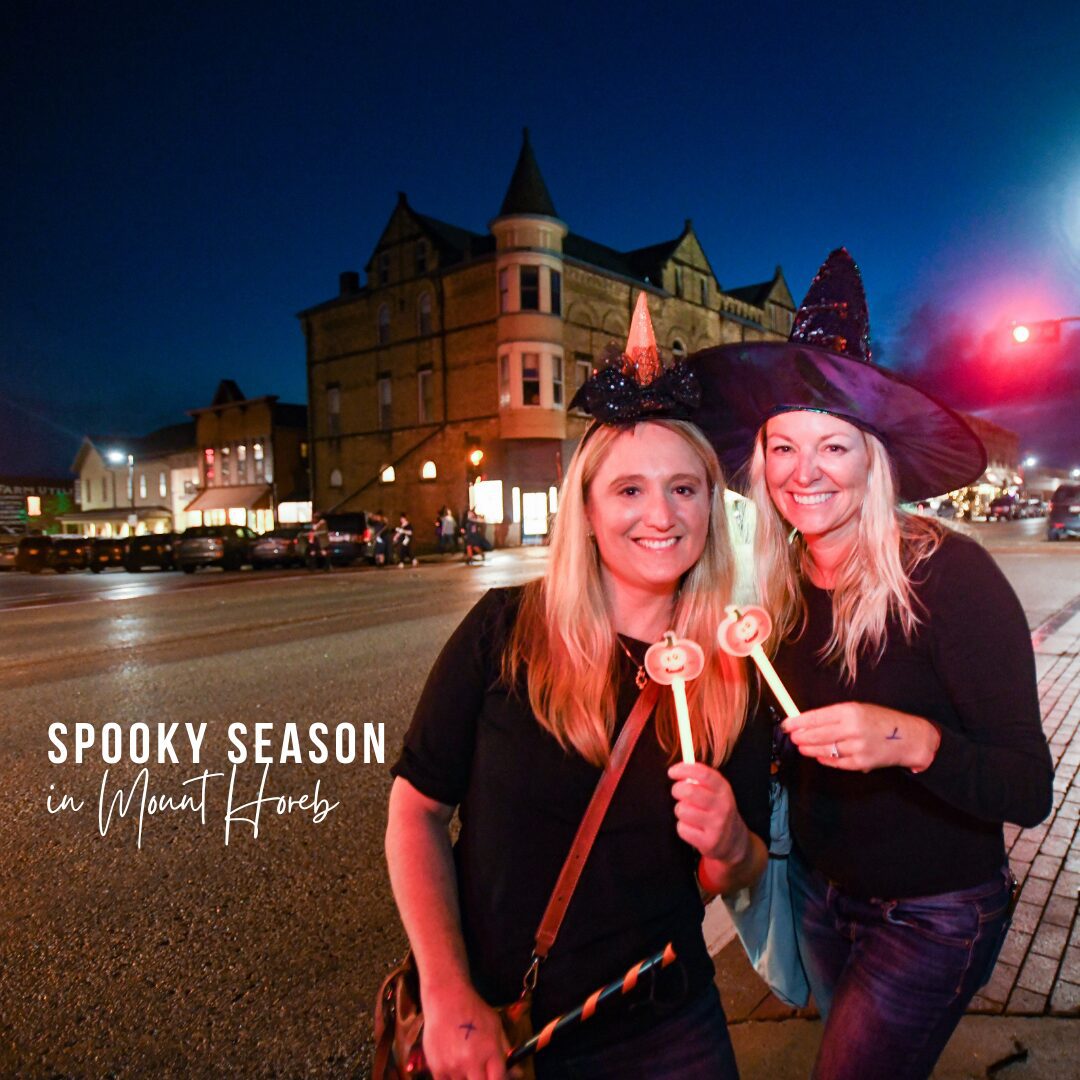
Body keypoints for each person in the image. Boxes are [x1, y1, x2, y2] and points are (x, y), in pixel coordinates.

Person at [385, 294, 769, 1080]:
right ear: (587, 510)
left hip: (668, 1020)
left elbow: (732, 869)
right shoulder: (506, 631)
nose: (660, 514)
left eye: (684, 488)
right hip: (499, 1024)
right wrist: (449, 990)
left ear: (709, 503)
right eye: (629, 489)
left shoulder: (735, 666)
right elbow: (416, 810)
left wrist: (731, 847)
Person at [691, 249, 1054, 1080]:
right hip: (820, 896)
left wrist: (911, 738)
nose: (803, 473)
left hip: (936, 911)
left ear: (873, 460)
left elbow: (1027, 789)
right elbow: (776, 748)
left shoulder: (951, 576)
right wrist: (733, 672)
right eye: (783, 447)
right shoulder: (781, 589)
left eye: (833, 447)